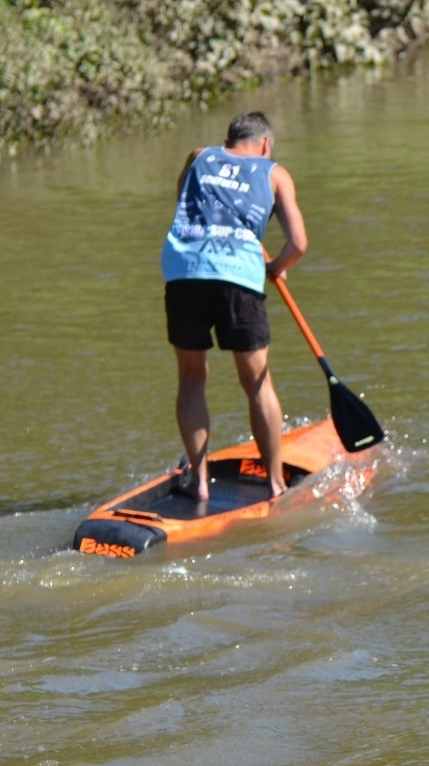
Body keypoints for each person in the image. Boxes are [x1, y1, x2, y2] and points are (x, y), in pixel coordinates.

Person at [161, 111, 308, 501]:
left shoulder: (198, 156)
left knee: (192, 378)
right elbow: (298, 244)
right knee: (257, 382)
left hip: (184, 271)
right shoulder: (275, 173)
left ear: (228, 141)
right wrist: (276, 267)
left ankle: (197, 480)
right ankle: (275, 483)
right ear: (266, 144)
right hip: (238, 277)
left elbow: (186, 204)